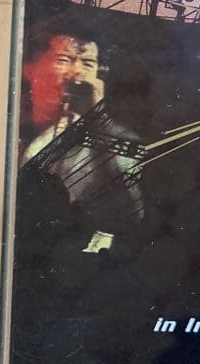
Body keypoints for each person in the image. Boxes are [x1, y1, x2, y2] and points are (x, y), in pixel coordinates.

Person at [20, 25, 144, 240]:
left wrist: (97, 117)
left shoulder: (118, 137)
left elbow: (131, 215)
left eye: (87, 63)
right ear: (32, 68)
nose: (77, 72)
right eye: (63, 60)